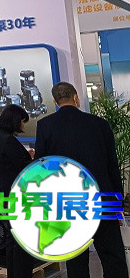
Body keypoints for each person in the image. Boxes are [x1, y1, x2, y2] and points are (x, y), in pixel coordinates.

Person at [35, 81, 128, 278]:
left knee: (76, 261)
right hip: (102, 200)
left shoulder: (45, 126)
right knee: (113, 257)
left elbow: (42, 169)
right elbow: (112, 165)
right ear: (76, 97)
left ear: (55, 101)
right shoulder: (99, 124)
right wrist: (118, 202)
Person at [0, 104, 36, 278]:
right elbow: (24, 168)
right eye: (22, 121)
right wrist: (31, 158)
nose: (23, 125)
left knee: (11, 239)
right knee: (23, 241)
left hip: (5, 193)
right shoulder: (9, 140)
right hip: (17, 196)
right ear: (15, 121)